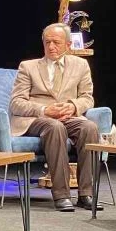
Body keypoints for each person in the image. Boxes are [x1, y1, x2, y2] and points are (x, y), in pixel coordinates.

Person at [9, 23, 101, 212]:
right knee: (54, 126)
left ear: (68, 45)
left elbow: (87, 98)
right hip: (37, 119)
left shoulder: (80, 65)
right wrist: (44, 109)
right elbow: (16, 103)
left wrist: (73, 106)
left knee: (89, 127)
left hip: (68, 116)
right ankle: (61, 195)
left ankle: (86, 194)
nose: (51, 47)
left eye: (56, 43)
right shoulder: (28, 67)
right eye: (47, 42)